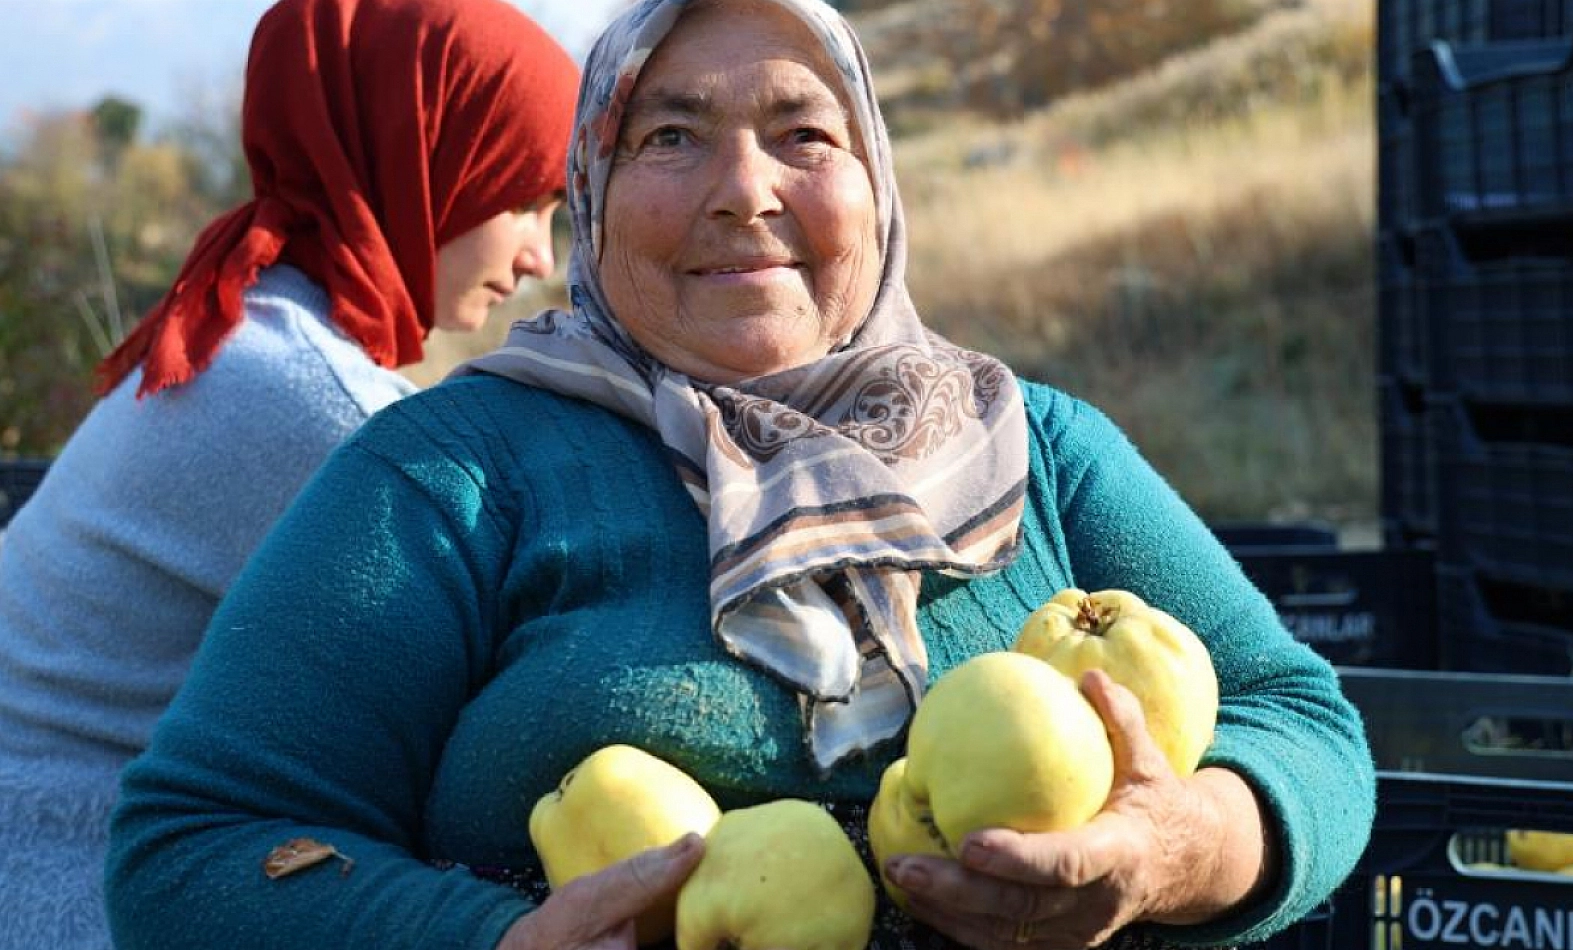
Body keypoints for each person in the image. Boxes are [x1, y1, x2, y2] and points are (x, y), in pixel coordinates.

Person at [105, 0, 1376, 946]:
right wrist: (490, 937)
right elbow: (194, 847)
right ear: (592, 192)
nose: (743, 192)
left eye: (801, 133)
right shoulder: (453, 474)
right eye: (671, 136)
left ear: (876, 182)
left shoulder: (1041, 449)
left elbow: (1304, 723)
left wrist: (1176, 848)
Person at [0, 0, 579, 946]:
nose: (534, 257)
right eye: (520, 199)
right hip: (70, 882)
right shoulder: (318, 405)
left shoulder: (258, 325)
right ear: (420, 153)